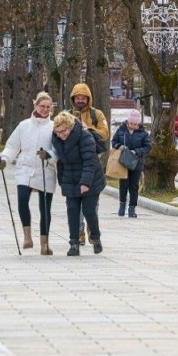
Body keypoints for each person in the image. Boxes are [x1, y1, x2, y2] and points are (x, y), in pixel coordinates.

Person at [0, 92, 58, 255]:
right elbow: (12, 146)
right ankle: (27, 236)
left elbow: (58, 150)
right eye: (42, 106)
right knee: (22, 199)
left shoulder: (54, 127)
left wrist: (49, 156)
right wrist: (4, 159)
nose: (44, 110)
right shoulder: (24, 126)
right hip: (25, 168)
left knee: (45, 207)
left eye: (47, 107)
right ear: (35, 105)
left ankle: (44, 243)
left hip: (45, 170)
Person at [51, 111, 105, 256]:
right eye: (57, 132)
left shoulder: (84, 136)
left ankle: (95, 238)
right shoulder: (57, 139)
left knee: (88, 210)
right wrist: (62, 180)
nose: (60, 135)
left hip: (91, 178)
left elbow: (90, 161)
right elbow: (61, 162)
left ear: (69, 127)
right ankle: (74, 243)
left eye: (63, 132)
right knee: (72, 211)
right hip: (71, 178)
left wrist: (85, 183)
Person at [68, 83, 109, 245]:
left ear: (88, 99)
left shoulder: (96, 114)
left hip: (93, 163)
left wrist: (87, 129)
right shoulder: (66, 114)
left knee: (92, 200)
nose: (80, 100)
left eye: (83, 97)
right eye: (77, 97)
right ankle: (78, 231)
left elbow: (104, 133)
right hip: (73, 164)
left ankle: (92, 228)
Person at [111, 109, 152, 218]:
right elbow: (114, 142)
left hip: (136, 162)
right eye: (131, 123)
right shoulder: (121, 130)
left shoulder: (143, 133)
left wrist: (137, 151)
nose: (132, 126)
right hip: (123, 161)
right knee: (123, 184)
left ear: (138, 123)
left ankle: (132, 208)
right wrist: (119, 146)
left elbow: (148, 147)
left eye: (135, 124)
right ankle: (122, 205)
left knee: (134, 186)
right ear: (127, 122)